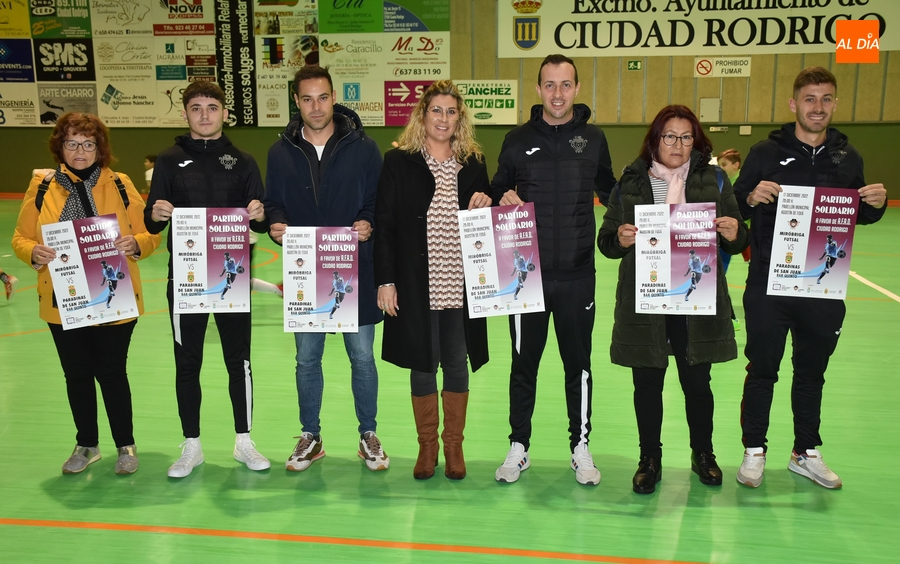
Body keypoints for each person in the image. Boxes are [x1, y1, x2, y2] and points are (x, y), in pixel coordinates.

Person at [734, 67, 886, 489]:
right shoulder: (765, 152)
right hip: (769, 284)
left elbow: (858, 213)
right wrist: (750, 197)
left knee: (811, 373)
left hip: (822, 286)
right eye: (810, 99)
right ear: (794, 104)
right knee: (762, 370)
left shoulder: (848, 157)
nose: (818, 107)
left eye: (826, 99)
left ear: (835, 104)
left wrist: (875, 204)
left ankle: (805, 451)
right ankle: (754, 450)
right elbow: (735, 207)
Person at [598, 105, 749, 494]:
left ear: (695, 141)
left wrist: (734, 232)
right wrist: (620, 239)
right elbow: (606, 242)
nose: (678, 145)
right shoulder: (629, 182)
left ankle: (703, 454)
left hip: (694, 301)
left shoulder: (715, 180)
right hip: (646, 299)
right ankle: (649, 459)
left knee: (697, 382)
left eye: (686, 137)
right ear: (655, 139)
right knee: (647, 383)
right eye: (669, 136)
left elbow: (739, 237)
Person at [490, 54, 617, 485]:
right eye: (549, 85)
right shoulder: (517, 139)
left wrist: (656, 207)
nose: (557, 93)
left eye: (565, 85)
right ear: (538, 89)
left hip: (578, 276)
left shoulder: (594, 139)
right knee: (523, 364)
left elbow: (612, 190)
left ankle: (580, 446)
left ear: (576, 88)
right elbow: (496, 187)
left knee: (577, 365)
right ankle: (519, 446)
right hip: (527, 278)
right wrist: (500, 195)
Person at [12, 112, 160, 474]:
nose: (80, 151)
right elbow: (20, 237)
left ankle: (125, 445)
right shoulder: (42, 186)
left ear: (100, 148)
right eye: (72, 143)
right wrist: (33, 252)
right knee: (76, 374)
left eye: (88, 144)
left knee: (112, 372)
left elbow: (151, 234)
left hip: (113, 295)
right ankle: (87, 444)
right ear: (60, 147)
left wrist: (136, 244)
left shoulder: (120, 184)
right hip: (63, 298)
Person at [264, 65, 388, 473]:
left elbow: (377, 200)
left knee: (362, 358)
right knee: (306, 359)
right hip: (305, 270)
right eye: (307, 99)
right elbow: (273, 203)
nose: (315, 107)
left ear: (334, 97)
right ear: (296, 102)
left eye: (322, 97)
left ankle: (368, 434)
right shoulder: (280, 152)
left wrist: (368, 222)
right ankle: (311, 436)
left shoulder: (365, 148)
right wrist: (276, 224)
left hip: (356, 268)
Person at [145, 81, 271, 478]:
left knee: (239, 361)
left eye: (212, 107)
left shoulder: (244, 161)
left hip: (232, 278)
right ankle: (192, 446)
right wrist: (156, 213)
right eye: (196, 107)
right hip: (185, 279)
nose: (204, 114)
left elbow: (262, 223)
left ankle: (244, 441)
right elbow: (151, 221)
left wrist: (259, 213)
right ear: (185, 113)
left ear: (224, 114)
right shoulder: (168, 161)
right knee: (187, 362)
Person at [375, 80, 491, 480]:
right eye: (436, 110)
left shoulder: (474, 163)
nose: (443, 118)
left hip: (460, 282)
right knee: (422, 364)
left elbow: (486, 219)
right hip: (415, 282)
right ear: (423, 115)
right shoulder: (399, 161)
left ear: (460, 118)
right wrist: (386, 280)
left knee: (456, 362)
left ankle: (454, 446)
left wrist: (487, 201)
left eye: (451, 111)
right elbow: (385, 224)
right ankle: (427, 448)